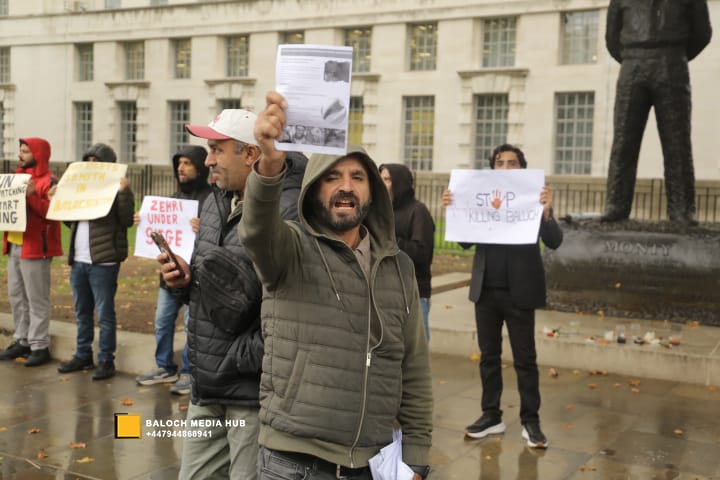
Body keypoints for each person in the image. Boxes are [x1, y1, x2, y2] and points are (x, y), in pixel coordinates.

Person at [240, 92, 432, 480]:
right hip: (293, 462)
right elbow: (256, 230)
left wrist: (418, 453)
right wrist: (270, 165)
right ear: (313, 189)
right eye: (333, 178)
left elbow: (413, 366)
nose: (346, 187)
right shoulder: (289, 248)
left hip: (373, 462)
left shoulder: (399, 268)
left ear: (373, 192)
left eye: (357, 178)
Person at [159, 109, 307, 479]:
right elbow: (209, 287)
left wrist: (239, 359)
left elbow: (295, 307)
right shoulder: (214, 202)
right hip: (206, 385)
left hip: (250, 393)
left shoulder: (291, 210)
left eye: (216, 149)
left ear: (250, 155)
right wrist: (182, 279)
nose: (207, 160)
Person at [441, 144, 562, 449]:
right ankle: (490, 415)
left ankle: (531, 422)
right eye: (500, 162)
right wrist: (454, 209)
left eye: (512, 163)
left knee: (525, 359)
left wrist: (546, 212)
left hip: (520, 291)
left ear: (522, 168)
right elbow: (466, 243)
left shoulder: (531, 199)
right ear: (492, 168)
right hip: (486, 291)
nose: (506, 167)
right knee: (489, 357)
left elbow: (555, 241)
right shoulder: (481, 197)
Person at [602, 0, 712, 224]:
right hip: (632, 64)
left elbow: (702, 34)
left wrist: (674, 53)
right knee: (623, 142)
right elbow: (612, 39)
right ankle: (616, 206)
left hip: (671, 63)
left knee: (677, 144)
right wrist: (635, 55)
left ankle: (682, 209)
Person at [135, 145, 211, 395]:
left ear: (200, 168)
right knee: (162, 322)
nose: (182, 168)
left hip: (196, 275)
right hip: (169, 275)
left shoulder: (212, 199)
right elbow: (161, 235)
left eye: (188, 163)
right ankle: (165, 367)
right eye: (179, 163)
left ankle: (190, 372)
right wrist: (144, 222)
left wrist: (206, 228)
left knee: (192, 326)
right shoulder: (173, 199)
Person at [57, 143, 135, 381]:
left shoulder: (118, 190)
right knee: (82, 311)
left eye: (96, 161)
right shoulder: (80, 190)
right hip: (79, 260)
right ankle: (83, 355)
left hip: (104, 261)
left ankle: (106, 359)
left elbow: (126, 221)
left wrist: (123, 193)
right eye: (88, 160)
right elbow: (70, 221)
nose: (91, 165)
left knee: (104, 313)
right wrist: (60, 199)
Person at [0, 138, 63, 367]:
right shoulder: (16, 178)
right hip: (16, 243)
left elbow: (53, 212)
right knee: (17, 296)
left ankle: (39, 344)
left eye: (26, 151)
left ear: (38, 154)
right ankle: (22, 339)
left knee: (36, 298)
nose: (20, 155)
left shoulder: (49, 181)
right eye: (20, 150)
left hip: (37, 247)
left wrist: (33, 195)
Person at [378, 163, 435, 342]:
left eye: (387, 179)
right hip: (385, 292)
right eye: (380, 179)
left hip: (414, 293)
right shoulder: (379, 211)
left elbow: (422, 253)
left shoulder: (418, 211)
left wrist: (389, 239)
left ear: (399, 182)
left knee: (416, 350)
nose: (381, 183)